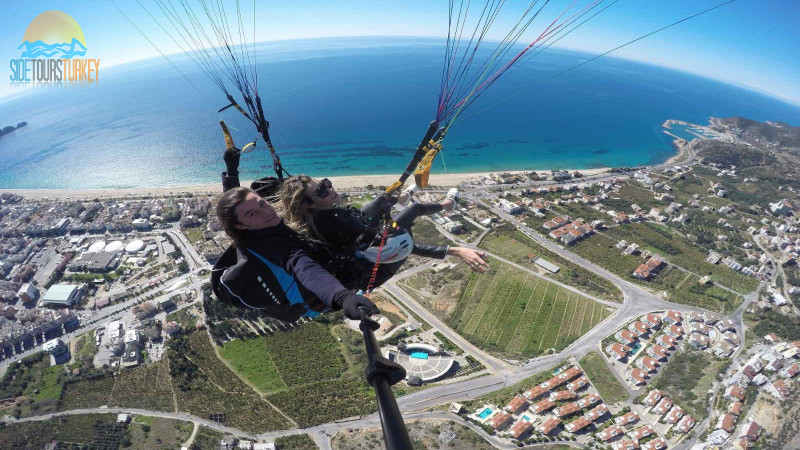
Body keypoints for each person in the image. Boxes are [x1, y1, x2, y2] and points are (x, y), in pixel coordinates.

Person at [211, 140, 379, 322]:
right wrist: (342, 296)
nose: (266, 211)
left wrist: (231, 171)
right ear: (241, 225)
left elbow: (233, 204)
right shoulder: (275, 246)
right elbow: (304, 267)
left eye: (261, 203)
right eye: (253, 213)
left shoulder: (243, 228)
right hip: (313, 301)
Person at [276, 175, 490, 291]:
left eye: (325, 183)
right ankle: (448, 204)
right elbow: (388, 245)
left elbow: (360, 220)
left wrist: (386, 202)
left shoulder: (324, 214)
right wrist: (453, 250)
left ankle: (403, 196)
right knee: (413, 210)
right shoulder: (331, 224)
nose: (329, 189)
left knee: (383, 198)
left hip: (367, 245)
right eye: (321, 191)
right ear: (308, 205)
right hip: (375, 267)